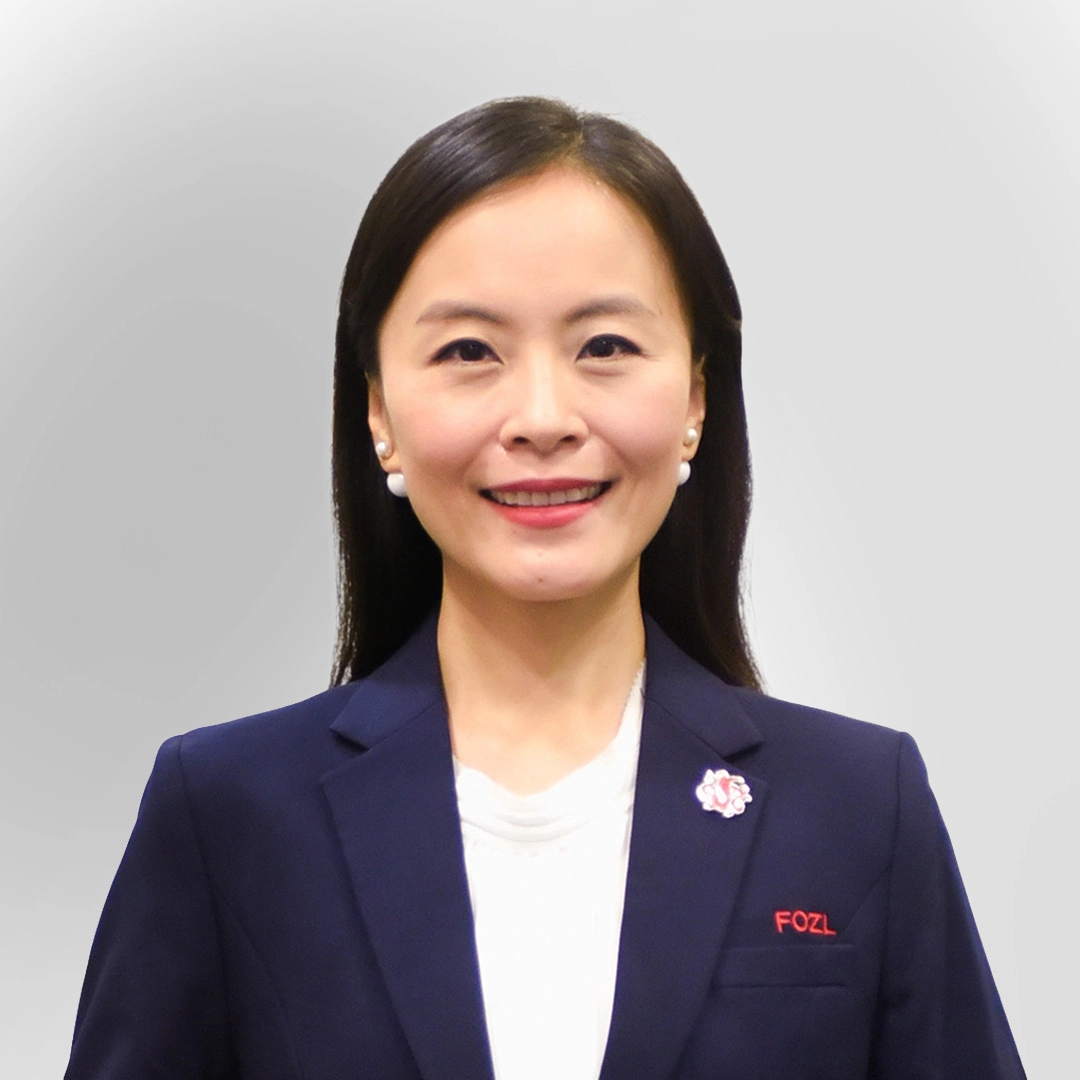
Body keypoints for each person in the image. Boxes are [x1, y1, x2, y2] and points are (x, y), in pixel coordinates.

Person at [65, 97, 1026, 1080]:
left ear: (696, 395)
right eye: (467, 352)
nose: (541, 416)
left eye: (605, 346)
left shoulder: (861, 806)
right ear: (378, 412)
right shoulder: (227, 812)